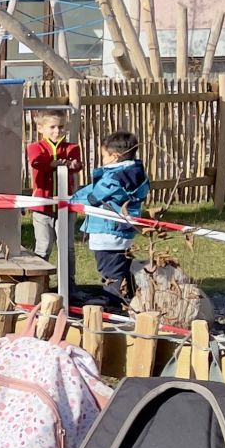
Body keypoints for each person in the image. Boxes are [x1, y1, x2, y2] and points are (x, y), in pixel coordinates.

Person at [72, 129, 149, 312]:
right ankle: (128, 296)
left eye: (104, 156)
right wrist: (73, 197)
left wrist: (72, 201)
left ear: (115, 157)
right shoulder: (133, 173)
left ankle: (113, 301)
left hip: (108, 231)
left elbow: (94, 196)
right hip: (122, 231)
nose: (103, 160)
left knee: (110, 270)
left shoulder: (115, 178)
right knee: (121, 266)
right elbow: (93, 189)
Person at [25, 109, 83, 260]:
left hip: (66, 206)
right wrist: (53, 163)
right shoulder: (35, 147)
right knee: (43, 247)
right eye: (52, 127)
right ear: (40, 128)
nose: (57, 131)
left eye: (61, 126)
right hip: (42, 206)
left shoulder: (72, 148)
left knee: (67, 247)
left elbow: (76, 165)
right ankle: (40, 275)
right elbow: (36, 162)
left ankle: (69, 277)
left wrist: (74, 164)